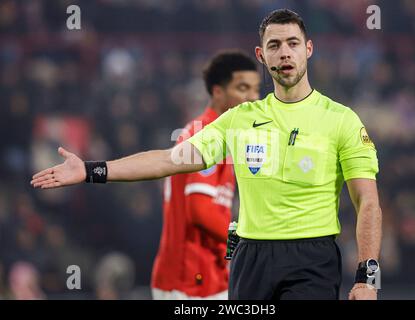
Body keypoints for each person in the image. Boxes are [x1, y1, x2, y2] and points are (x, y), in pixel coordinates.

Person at [31, 9, 382, 300]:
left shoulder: (341, 120)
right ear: (261, 56)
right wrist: (91, 170)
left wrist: (367, 277)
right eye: (274, 45)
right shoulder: (241, 119)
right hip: (250, 259)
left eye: (292, 43)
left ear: (308, 49)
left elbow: (367, 201)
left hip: (311, 258)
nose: (284, 53)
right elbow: (169, 160)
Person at [152, 51, 260, 300]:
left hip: (207, 274)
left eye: (255, 89)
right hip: (189, 280)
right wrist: (249, 239)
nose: (253, 98)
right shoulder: (205, 134)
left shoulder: (225, 134)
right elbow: (200, 209)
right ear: (218, 92)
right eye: (243, 88)